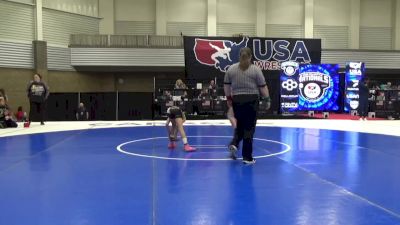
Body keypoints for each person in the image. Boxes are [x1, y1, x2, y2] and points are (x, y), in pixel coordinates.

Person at [224, 47, 270, 164]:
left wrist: (229, 98)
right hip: (251, 100)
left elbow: (227, 86)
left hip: (237, 100)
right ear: (250, 57)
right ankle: (247, 157)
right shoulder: (255, 70)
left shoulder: (231, 69)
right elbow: (263, 87)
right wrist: (267, 99)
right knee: (249, 128)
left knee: (240, 125)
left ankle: (234, 143)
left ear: (239, 56)